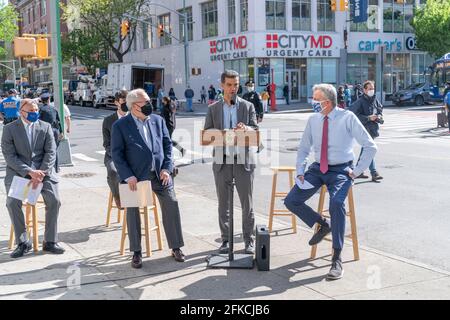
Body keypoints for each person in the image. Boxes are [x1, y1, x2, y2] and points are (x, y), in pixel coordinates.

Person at [284, 84, 377, 280]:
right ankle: (322, 224)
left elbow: (370, 146)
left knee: (336, 203)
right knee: (291, 200)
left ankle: (336, 257)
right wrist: (300, 170)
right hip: (318, 168)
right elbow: (303, 149)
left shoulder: (347, 118)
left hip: (341, 169)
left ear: (327, 102)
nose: (313, 102)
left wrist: (357, 171)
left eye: (316, 99)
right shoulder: (313, 120)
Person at [111, 89, 186, 269]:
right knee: (133, 210)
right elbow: (117, 154)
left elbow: (167, 146)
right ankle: (136, 252)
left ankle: (176, 247)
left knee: (171, 202)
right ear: (134, 106)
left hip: (159, 175)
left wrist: (167, 169)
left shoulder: (158, 121)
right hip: (135, 178)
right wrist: (128, 176)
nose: (150, 105)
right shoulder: (120, 126)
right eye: (145, 103)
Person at [203, 70, 259, 255]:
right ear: (222, 85)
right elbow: (206, 136)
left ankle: (249, 240)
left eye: (236, 85)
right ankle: (226, 240)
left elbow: (256, 134)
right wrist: (227, 136)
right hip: (222, 161)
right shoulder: (213, 109)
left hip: (243, 161)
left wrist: (246, 128)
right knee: (223, 203)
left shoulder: (247, 106)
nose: (233, 88)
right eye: (229, 85)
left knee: (247, 203)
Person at [2, 99, 65, 258]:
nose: (34, 113)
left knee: (54, 200)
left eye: (36, 109)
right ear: (20, 112)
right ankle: (23, 242)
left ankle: (50, 241)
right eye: (30, 111)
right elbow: (10, 157)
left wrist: (41, 172)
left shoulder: (46, 127)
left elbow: (51, 153)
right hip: (19, 173)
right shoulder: (9, 129)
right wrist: (30, 172)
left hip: (43, 174)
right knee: (12, 202)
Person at [350, 80, 384, 182]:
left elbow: (380, 110)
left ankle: (358, 171)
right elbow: (352, 114)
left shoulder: (374, 100)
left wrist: (379, 116)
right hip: (364, 130)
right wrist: (368, 118)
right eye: (369, 89)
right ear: (364, 90)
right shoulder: (360, 101)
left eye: (373, 88)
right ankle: (374, 172)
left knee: (366, 149)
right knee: (370, 149)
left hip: (373, 128)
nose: (371, 90)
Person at [102, 90, 128, 209]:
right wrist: (117, 156)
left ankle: (138, 198)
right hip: (112, 155)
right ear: (116, 102)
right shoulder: (108, 121)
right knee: (113, 171)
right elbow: (106, 144)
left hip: (130, 154)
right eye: (123, 102)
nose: (126, 104)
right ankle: (118, 197)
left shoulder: (134, 118)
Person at [39, 93, 63, 173]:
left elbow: (38, 122)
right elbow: (58, 121)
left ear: (42, 101)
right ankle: (57, 167)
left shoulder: (41, 109)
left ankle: (47, 167)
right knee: (54, 149)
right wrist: (61, 132)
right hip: (55, 130)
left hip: (45, 131)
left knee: (45, 150)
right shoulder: (54, 109)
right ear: (49, 99)